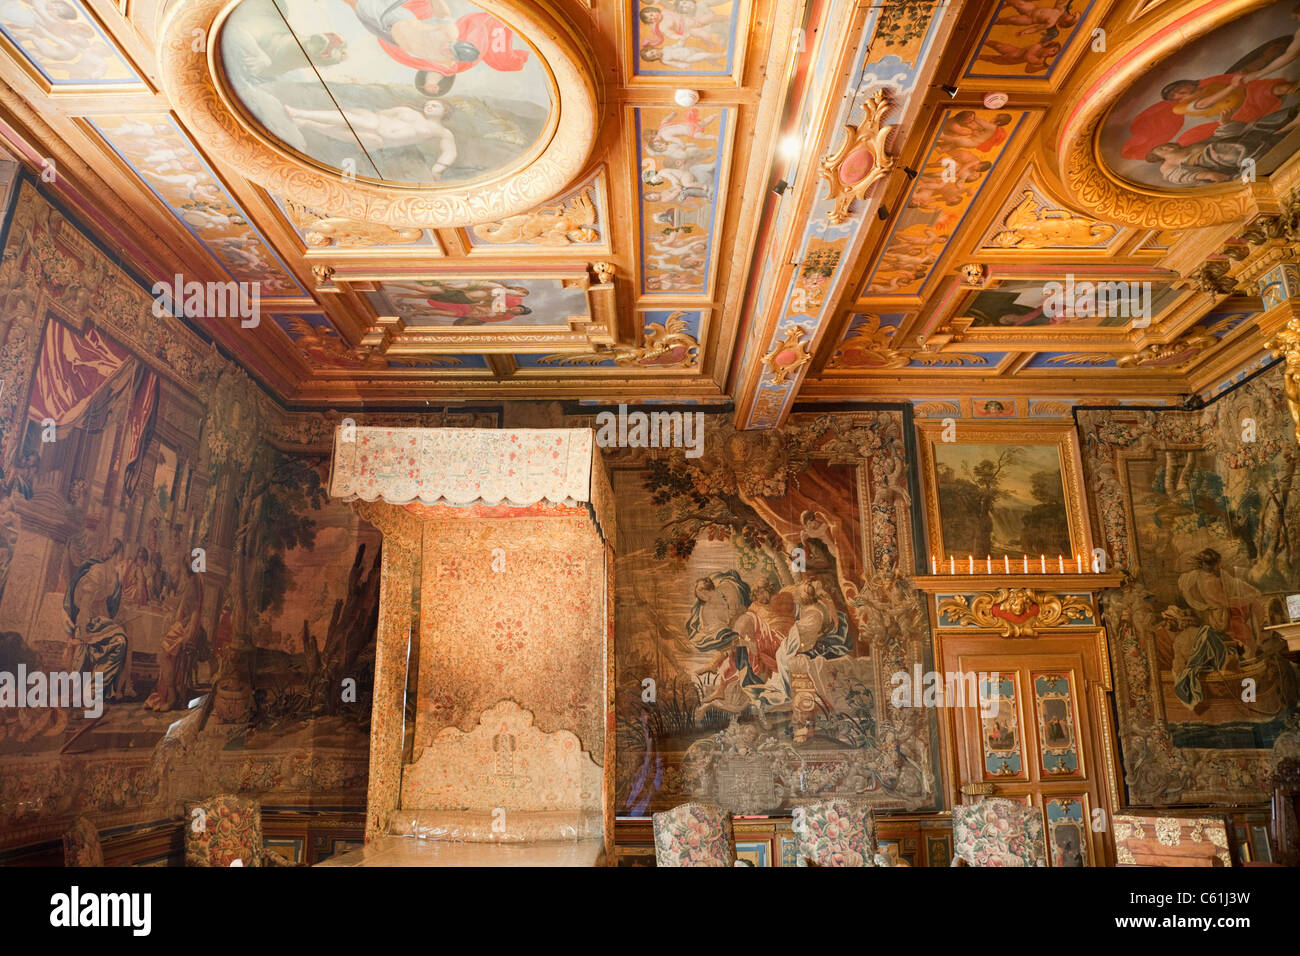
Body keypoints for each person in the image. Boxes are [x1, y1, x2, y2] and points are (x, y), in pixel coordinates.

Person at [344, 0, 528, 74]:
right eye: (452, 46)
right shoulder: (450, 33)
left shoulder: (445, 63)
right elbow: (443, 12)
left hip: (390, 37)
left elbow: (439, 75)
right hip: (396, 19)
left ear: (454, 58)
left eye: (451, 53)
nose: (446, 49)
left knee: (357, 11)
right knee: (359, 3)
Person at [285, 100, 458, 178]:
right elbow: (381, 114)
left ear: (444, 111)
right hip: (374, 121)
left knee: (367, 138)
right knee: (365, 123)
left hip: (380, 141)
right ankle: (301, 113)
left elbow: (449, 152)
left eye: (435, 105)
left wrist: (438, 170)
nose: (429, 106)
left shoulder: (441, 131)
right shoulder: (409, 111)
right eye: (428, 104)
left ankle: (307, 123)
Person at [64, 539, 132, 701]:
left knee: (121, 640)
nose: (122, 560)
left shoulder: (114, 576)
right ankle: (89, 692)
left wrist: (111, 624)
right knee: (120, 640)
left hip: (99, 623)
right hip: (87, 623)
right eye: (120, 555)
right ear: (116, 554)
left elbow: (105, 607)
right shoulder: (97, 572)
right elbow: (85, 606)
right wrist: (84, 632)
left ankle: (94, 691)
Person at [144, 563, 204, 712]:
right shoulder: (190, 585)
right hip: (183, 626)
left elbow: (194, 613)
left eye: (184, 574)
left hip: (190, 629)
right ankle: (166, 693)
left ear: (188, 574)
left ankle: (171, 696)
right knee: (163, 653)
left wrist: (187, 634)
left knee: (165, 654)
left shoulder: (194, 586)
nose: (183, 577)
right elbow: (180, 613)